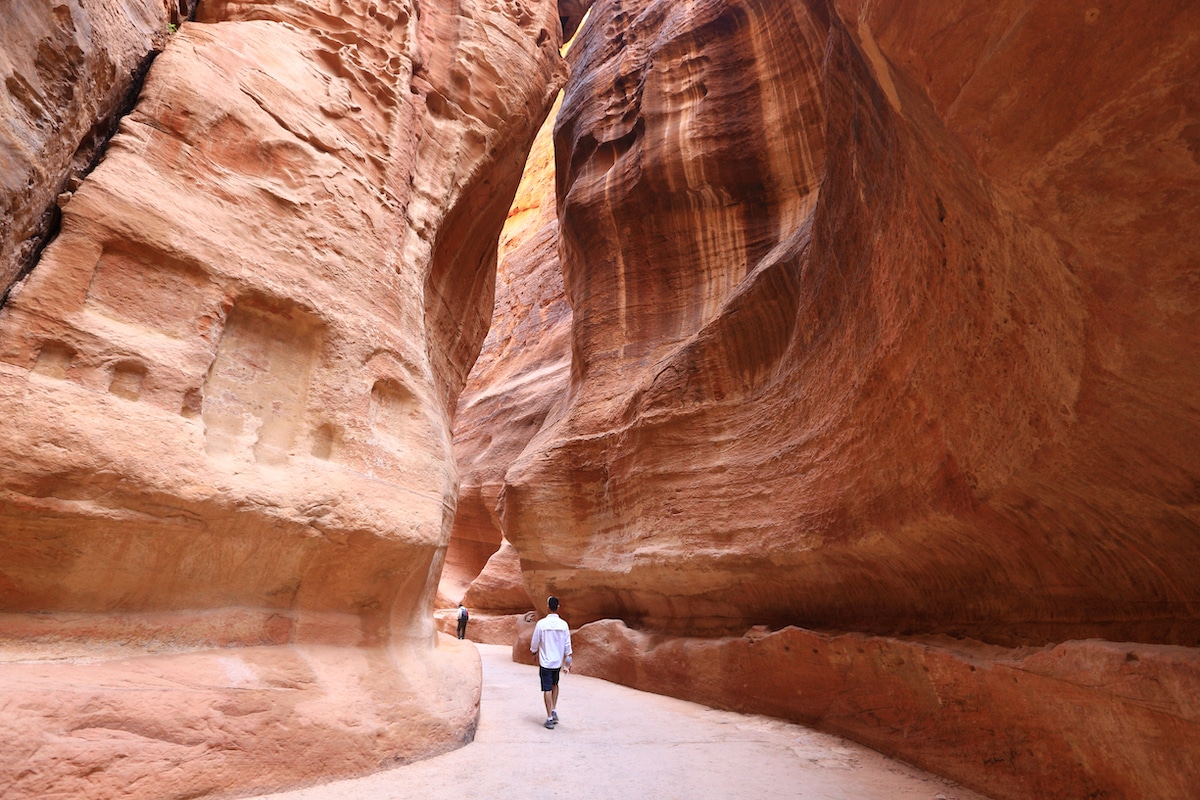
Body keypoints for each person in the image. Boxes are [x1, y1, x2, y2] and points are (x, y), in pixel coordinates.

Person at [530, 595, 572, 729]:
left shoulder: (541, 624)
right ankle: (553, 710)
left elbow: (535, 641)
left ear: (548, 607)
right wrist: (567, 660)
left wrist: (534, 651)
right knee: (555, 684)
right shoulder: (563, 625)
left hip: (545, 662)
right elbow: (567, 645)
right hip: (557, 662)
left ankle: (549, 718)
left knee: (547, 688)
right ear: (558, 607)